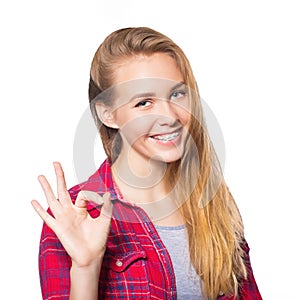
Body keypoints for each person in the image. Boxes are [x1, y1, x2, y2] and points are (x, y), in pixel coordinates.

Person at [31, 27, 262, 300]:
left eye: (177, 94)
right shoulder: (75, 214)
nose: (169, 116)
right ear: (108, 115)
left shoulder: (212, 203)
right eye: (144, 102)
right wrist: (86, 267)